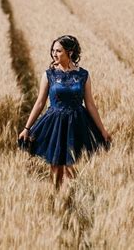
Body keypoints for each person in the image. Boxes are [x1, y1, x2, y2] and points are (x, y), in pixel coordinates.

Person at [18, 35, 112, 191]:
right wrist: (27, 128)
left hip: (77, 123)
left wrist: (102, 130)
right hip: (55, 123)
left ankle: (68, 198)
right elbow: (40, 102)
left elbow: (90, 104)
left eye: (58, 51)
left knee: (71, 166)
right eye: (53, 50)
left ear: (70, 52)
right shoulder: (49, 74)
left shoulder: (83, 75)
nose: (54, 54)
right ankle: (56, 200)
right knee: (56, 167)